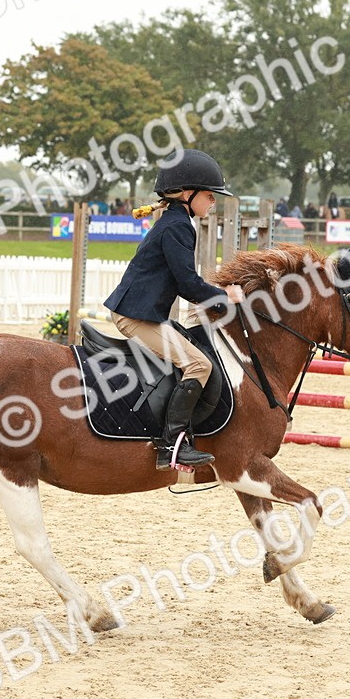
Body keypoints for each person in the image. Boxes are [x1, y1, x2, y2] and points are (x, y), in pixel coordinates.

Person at [103, 149, 245, 470]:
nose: (212, 202)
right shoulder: (179, 227)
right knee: (199, 365)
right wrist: (226, 297)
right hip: (136, 316)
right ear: (187, 194)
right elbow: (188, 285)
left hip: (141, 312)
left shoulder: (175, 221)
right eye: (209, 196)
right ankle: (173, 445)